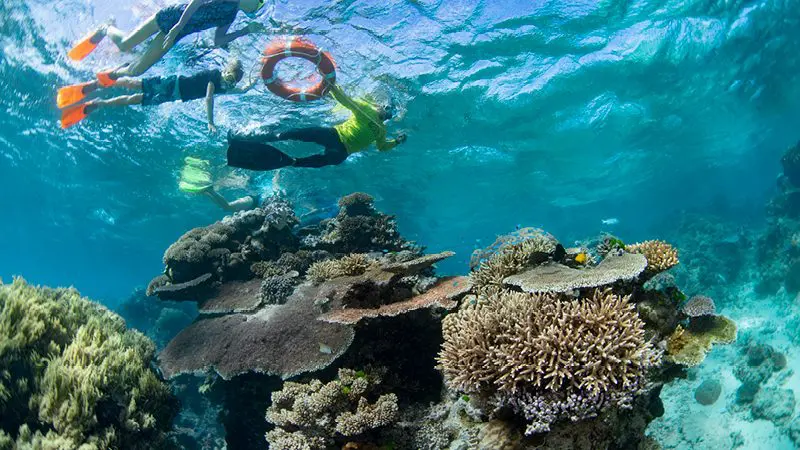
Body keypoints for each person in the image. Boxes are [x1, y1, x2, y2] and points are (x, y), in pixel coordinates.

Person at [66, 0, 267, 87]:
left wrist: (245, 30)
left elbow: (218, 40)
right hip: (172, 17)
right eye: (258, 3)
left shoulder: (230, 15)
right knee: (125, 44)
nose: (254, 9)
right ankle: (106, 28)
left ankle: (110, 74)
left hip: (177, 32)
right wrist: (178, 26)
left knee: (137, 71)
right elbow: (196, 1)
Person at [226, 84, 407, 170]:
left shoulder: (374, 120)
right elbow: (382, 147)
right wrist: (397, 141)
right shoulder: (376, 123)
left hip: (337, 144)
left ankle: (250, 142)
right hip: (338, 146)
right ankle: (252, 144)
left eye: (386, 110)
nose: (384, 110)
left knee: (293, 141)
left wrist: (332, 86)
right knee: (294, 147)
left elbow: (346, 101)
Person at [60, 58, 254, 129]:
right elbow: (209, 98)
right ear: (226, 71)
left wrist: (251, 84)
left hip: (171, 96)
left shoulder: (223, 86)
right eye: (229, 77)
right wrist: (210, 121)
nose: (228, 82)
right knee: (134, 84)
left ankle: (99, 103)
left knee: (133, 100)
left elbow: (240, 90)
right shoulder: (213, 75)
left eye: (231, 81)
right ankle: (99, 84)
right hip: (170, 84)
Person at [179, 156, 257, 212]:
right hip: (254, 200)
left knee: (225, 207)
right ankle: (209, 191)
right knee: (228, 207)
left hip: (252, 200)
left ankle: (206, 192)